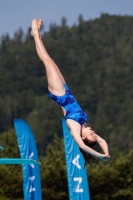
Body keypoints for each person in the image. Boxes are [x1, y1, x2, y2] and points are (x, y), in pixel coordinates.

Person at [31, 19, 110, 165]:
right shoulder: (85, 127)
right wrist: (106, 154)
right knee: (51, 61)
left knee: (47, 61)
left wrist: (98, 156)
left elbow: (82, 146)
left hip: (59, 94)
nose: (93, 132)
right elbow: (103, 141)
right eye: (94, 133)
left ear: (84, 137)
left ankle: (35, 34)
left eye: (91, 134)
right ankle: (37, 34)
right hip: (66, 90)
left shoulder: (75, 127)